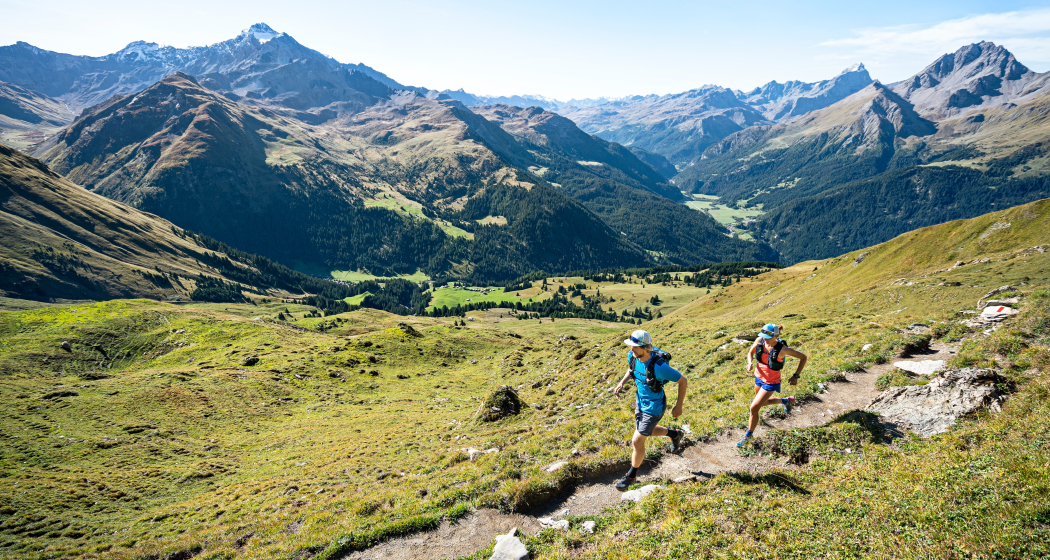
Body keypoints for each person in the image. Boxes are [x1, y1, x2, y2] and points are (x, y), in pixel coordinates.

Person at [612, 329, 688, 490]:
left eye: (635, 347)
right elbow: (631, 369)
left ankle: (631, 476)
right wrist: (622, 382)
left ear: (646, 348)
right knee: (647, 431)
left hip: (654, 408)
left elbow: (683, 381)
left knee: (637, 440)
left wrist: (679, 405)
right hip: (640, 403)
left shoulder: (660, 367)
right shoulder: (632, 356)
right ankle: (675, 434)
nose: (631, 349)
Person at [737, 323, 807, 447]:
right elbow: (750, 353)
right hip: (758, 377)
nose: (764, 339)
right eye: (763, 336)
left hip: (771, 381)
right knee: (762, 403)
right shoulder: (760, 340)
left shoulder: (783, 349)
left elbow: (803, 357)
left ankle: (749, 436)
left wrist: (795, 376)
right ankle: (786, 401)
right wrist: (749, 363)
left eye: (767, 337)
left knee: (754, 408)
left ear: (776, 336)